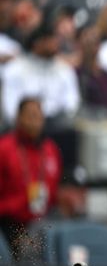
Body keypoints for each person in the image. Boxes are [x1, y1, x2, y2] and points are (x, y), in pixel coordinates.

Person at [0, 98, 62, 256]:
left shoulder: (50, 149)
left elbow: (54, 192)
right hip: (9, 225)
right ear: (18, 118)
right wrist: (19, 203)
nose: (35, 122)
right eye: (30, 116)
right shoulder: (4, 149)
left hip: (43, 222)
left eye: (39, 117)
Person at [1, 21, 80, 124]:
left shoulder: (65, 70)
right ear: (37, 43)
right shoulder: (14, 70)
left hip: (58, 128)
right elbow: (10, 110)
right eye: (51, 39)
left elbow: (72, 104)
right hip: (23, 127)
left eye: (56, 39)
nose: (56, 43)